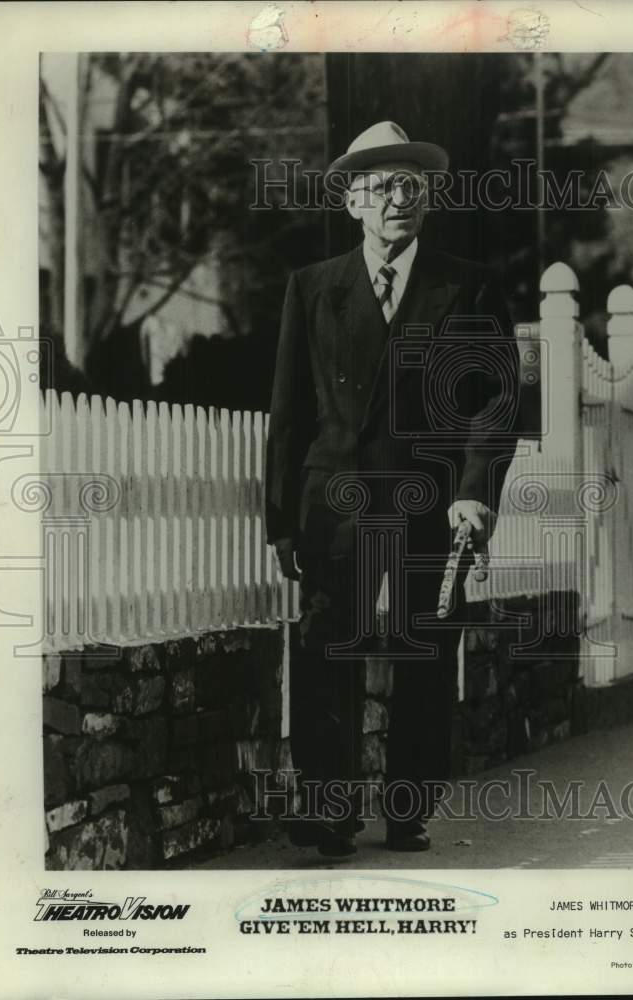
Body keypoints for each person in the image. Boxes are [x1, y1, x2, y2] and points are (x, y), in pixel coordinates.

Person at [266, 121, 521, 858]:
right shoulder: (312, 288)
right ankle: (329, 809)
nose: (397, 200)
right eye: (379, 187)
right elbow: (289, 413)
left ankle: (407, 806)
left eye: (411, 185)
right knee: (327, 650)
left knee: (423, 654)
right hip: (335, 504)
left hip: (427, 503)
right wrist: (281, 521)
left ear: (427, 200)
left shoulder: (464, 284)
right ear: (351, 202)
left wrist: (475, 488)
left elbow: (493, 400)